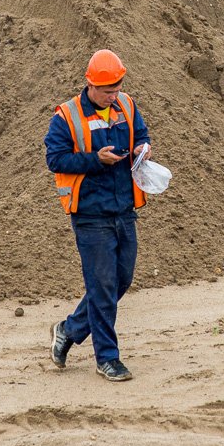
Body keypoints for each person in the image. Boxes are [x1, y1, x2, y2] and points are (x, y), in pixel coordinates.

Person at [44, 49, 151, 382]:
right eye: (107, 91)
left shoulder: (127, 106)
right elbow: (55, 159)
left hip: (123, 209)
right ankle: (108, 358)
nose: (113, 95)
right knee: (102, 286)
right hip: (90, 214)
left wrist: (142, 148)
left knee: (121, 281)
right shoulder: (67, 116)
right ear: (90, 85)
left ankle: (68, 330)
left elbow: (143, 135)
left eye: (117, 88)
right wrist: (95, 160)